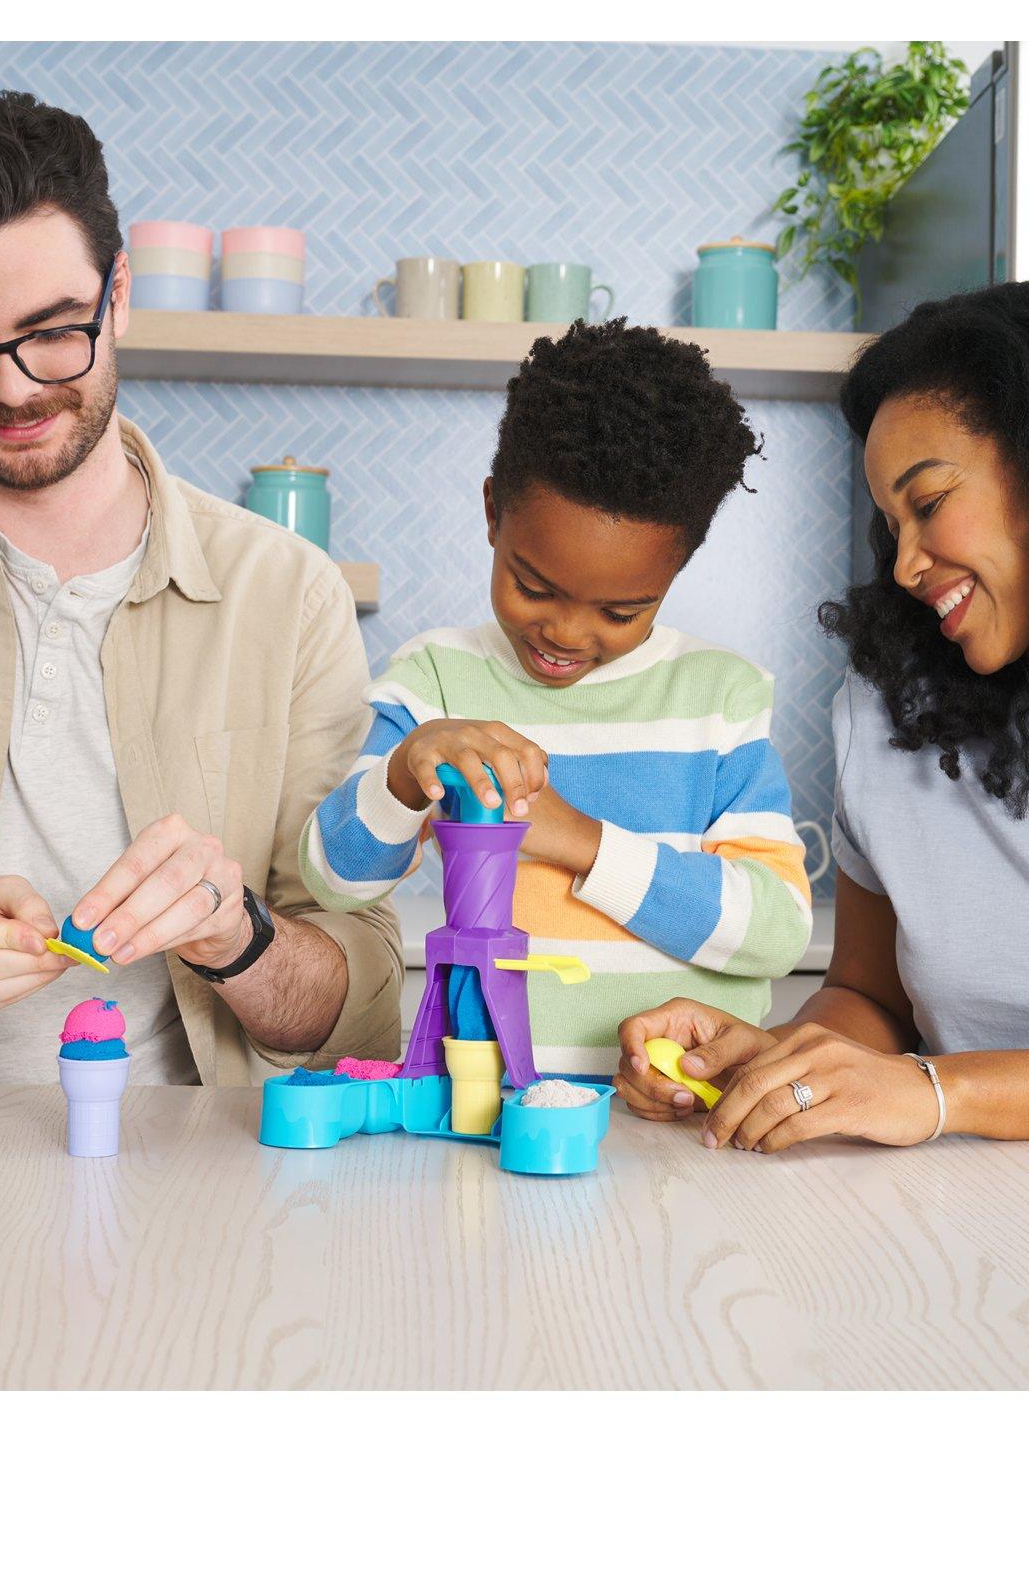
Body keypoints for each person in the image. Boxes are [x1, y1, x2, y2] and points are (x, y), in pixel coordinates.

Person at [0, 87, 400, 1084]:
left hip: (199, 1197)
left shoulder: (288, 595)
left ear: (118, 292)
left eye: (52, 332)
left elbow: (359, 1019)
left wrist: (240, 940)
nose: (10, 388)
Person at [616, 274, 1029, 1147]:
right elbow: (871, 997)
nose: (907, 564)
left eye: (930, 502)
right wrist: (787, 1063)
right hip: (950, 1219)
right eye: (890, 523)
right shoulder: (891, 712)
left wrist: (941, 1094)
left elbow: (925, 1086)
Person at [299, 318, 813, 1075]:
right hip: (490, 1108)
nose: (567, 633)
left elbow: (777, 931)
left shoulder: (719, 700)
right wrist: (406, 772)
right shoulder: (438, 680)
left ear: (677, 572)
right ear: (491, 514)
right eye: (534, 587)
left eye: (621, 611)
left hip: (681, 1122)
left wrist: (578, 839)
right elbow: (335, 882)